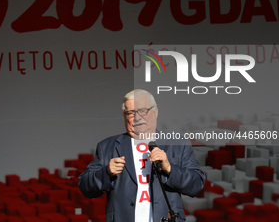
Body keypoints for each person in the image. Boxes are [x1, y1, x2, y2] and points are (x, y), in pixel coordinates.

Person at [78, 89, 205, 222]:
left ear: (156, 112)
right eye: (130, 113)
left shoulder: (178, 144)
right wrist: (106, 172)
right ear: (124, 116)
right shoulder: (108, 146)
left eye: (143, 111)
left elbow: (196, 185)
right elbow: (86, 187)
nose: (137, 118)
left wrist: (170, 169)